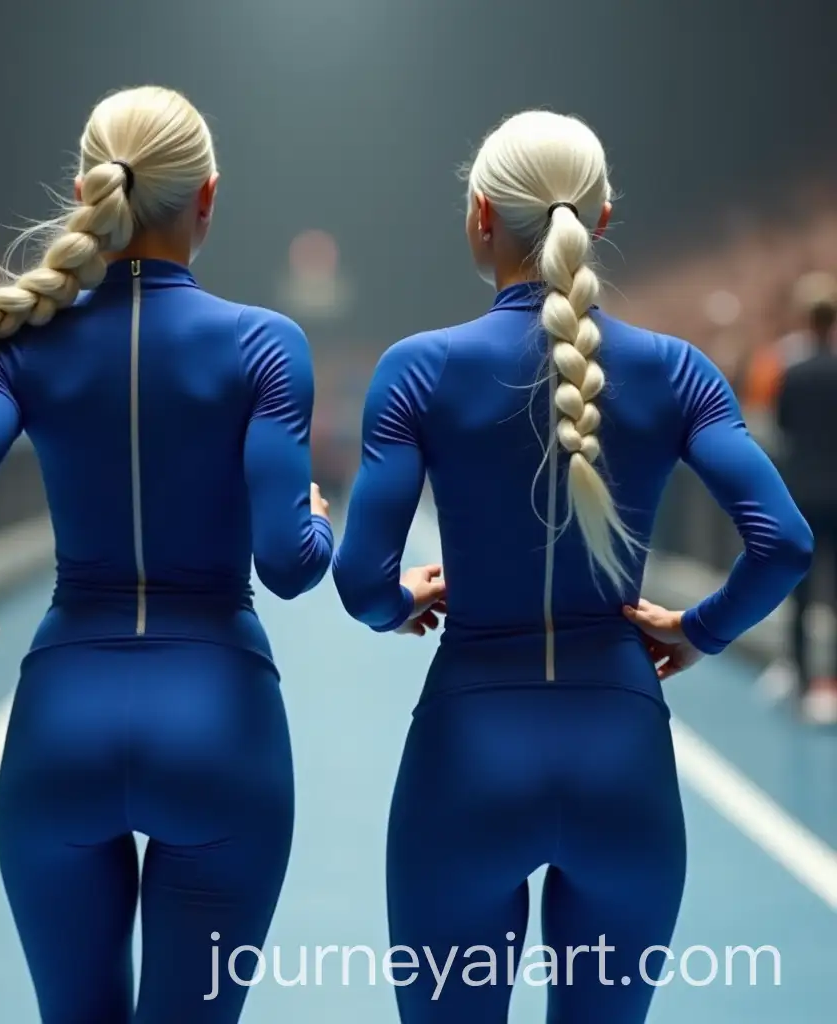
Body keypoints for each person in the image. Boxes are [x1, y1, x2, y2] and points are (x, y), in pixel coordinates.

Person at [0, 86, 333, 1024]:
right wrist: (319, 518)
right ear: (207, 197)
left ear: (88, 192)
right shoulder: (266, 345)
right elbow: (290, 564)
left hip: (61, 724)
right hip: (220, 722)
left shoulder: (23, 346)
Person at [332, 110, 813, 1023]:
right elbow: (783, 542)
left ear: (481, 215)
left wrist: (401, 604)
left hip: (466, 752)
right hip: (622, 752)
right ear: (601, 218)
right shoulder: (677, 370)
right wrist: (699, 631)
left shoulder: (418, 370)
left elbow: (361, 582)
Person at [776, 271, 837, 724]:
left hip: (801, 492)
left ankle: (801, 679)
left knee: (801, 590)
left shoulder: (793, 373)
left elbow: (783, 426)